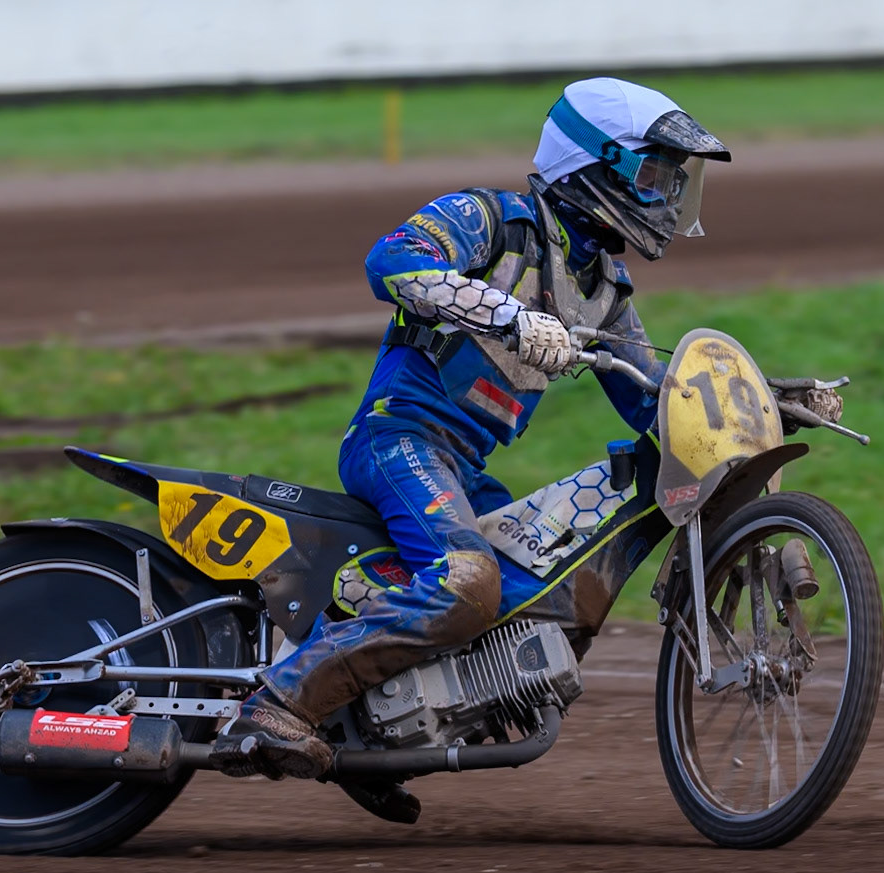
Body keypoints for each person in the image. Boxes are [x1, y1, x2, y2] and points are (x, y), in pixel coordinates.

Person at [211, 77, 732, 791]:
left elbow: (654, 400)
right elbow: (391, 259)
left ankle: (371, 736)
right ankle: (275, 705)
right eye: (654, 174)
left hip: (466, 469)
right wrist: (509, 317)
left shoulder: (605, 290)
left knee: (540, 598)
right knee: (468, 583)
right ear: (593, 163)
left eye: (679, 181)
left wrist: (766, 401)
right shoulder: (492, 219)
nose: (670, 198)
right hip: (400, 438)